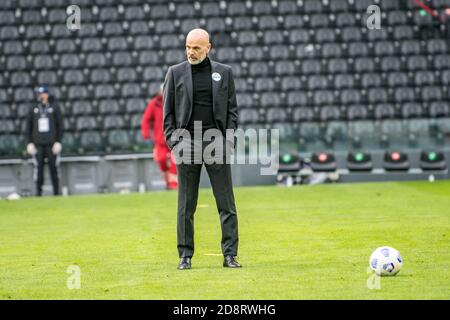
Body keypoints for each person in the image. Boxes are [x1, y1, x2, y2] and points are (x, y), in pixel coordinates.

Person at [163, 28, 240, 269]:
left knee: (226, 203)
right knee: (186, 204)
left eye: (196, 48)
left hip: (216, 141)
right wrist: (175, 142)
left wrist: (228, 140)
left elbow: (232, 111)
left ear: (208, 47)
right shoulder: (175, 73)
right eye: (187, 47)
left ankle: (230, 256)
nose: (191, 52)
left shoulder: (224, 73)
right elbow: (168, 115)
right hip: (187, 142)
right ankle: (184, 256)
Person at [25, 85, 63, 196]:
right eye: (39, 94)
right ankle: (38, 192)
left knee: (53, 168)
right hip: (38, 144)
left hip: (51, 144)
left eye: (43, 93)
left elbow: (60, 126)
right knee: (38, 169)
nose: (41, 96)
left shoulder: (54, 107)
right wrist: (29, 142)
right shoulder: (33, 108)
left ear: (47, 94)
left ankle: (56, 192)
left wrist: (58, 141)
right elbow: (28, 127)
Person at [141, 85, 178, 190]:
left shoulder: (175, 102)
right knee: (161, 160)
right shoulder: (154, 104)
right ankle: (168, 183)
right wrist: (146, 135)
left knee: (175, 162)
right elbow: (146, 120)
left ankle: (174, 185)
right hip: (160, 140)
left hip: (173, 138)